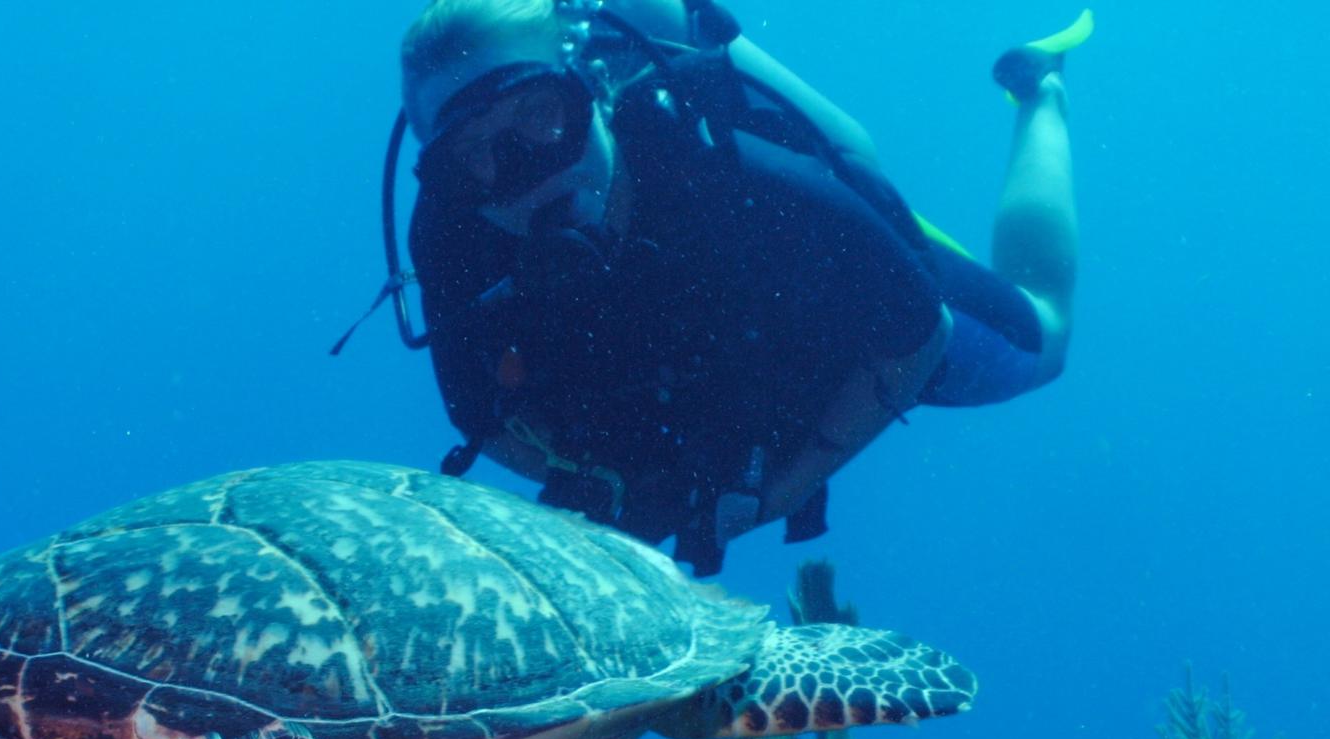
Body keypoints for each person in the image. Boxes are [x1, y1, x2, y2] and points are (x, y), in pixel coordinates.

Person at [366, 0, 1087, 574]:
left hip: (836, 295)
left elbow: (919, 333)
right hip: (714, 365)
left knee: (1044, 340)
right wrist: (610, 483)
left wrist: (783, 491)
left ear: (592, 89)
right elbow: (479, 416)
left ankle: (1040, 91)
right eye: (476, 153)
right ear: (447, 181)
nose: (528, 169)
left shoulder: (734, 174)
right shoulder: (457, 244)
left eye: (539, 114)